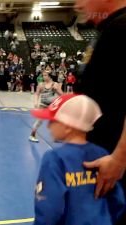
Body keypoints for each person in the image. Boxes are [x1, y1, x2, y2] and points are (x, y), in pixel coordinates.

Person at [31, 94, 125, 225]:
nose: (48, 126)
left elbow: (49, 209)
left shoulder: (54, 159)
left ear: (68, 126)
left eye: (53, 121)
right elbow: (118, 201)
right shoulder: (104, 156)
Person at [73, 1, 126, 220]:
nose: (78, 4)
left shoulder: (122, 28)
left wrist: (119, 159)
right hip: (102, 162)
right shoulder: (108, 28)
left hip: (114, 170)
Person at [30, 71, 63, 142]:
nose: (43, 77)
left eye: (45, 75)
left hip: (52, 106)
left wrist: (57, 90)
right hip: (43, 105)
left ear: (49, 76)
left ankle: (56, 137)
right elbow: (37, 94)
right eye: (43, 75)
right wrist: (35, 102)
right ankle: (32, 135)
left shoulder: (55, 84)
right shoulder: (41, 84)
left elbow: (62, 95)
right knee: (39, 121)